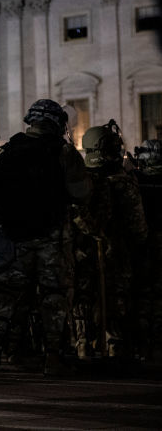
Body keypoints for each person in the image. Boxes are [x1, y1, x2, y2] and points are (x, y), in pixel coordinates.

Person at [0, 99, 90, 376]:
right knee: (54, 296)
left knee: (5, 296)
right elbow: (82, 193)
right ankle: (52, 358)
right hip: (52, 238)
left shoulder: (8, 150)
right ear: (57, 123)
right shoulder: (62, 151)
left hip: (14, 236)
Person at [76, 121, 147, 360]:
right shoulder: (123, 182)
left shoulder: (80, 181)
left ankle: (84, 342)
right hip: (116, 250)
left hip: (81, 251)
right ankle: (114, 343)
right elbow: (137, 226)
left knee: (84, 296)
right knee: (116, 296)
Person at [133, 139, 162, 361]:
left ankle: (142, 346)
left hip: (141, 245)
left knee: (142, 294)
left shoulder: (135, 181)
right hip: (148, 244)